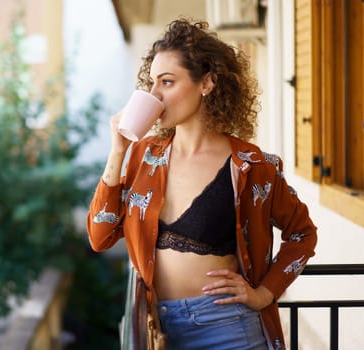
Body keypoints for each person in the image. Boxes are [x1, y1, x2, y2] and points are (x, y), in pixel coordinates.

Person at [86, 18, 317, 350]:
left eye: (167, 82)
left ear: (207, 83)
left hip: (229, 329)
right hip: (159, 330)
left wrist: (263, 294)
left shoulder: (252, 166)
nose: (154, 95)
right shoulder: (141, 158)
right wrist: (117, 151)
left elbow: (302, 234)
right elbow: (99, 237)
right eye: (151, 84)